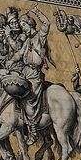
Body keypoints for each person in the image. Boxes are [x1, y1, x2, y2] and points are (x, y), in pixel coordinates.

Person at [7, 8, 52, 145]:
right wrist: (11, 61)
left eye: (24, 26)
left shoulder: (40, 37)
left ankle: (33, 131)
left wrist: (37, 11)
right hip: (25, 71)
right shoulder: (27, 41)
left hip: (34, 74)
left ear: (30, 24)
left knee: (30, 99)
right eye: (21, 27)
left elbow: (47, 23)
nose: (23, 29)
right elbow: (19, 54)